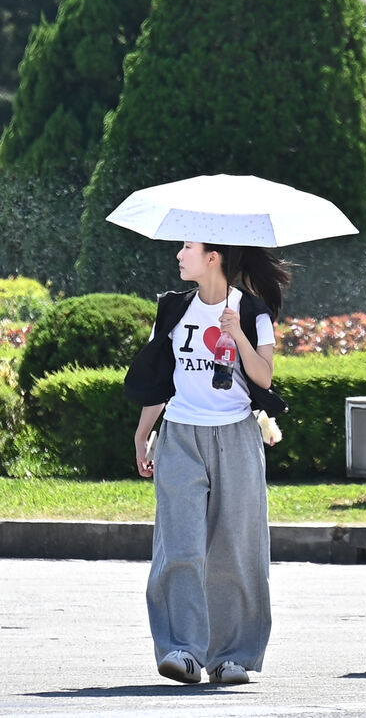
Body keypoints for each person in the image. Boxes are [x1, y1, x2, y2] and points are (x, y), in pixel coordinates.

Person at [125, 242, 290, 685]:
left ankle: (231, 655)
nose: (179, 255)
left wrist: (236, 332)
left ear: (213, 256)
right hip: (180, 434)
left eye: (188, 247)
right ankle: (182, 649)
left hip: (235, 435)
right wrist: (144, 434)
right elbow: (163, 376)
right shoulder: (173, 309)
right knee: (179, 546)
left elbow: (264, 376)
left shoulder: (252, 311)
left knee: (235, 549)